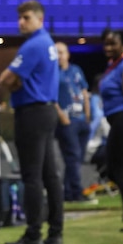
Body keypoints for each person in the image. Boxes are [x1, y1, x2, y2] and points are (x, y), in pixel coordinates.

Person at [0, 0, 64, 244]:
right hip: (47, 110)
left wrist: (13, 83)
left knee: (32, 176)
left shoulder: (34, 45)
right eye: (20, 18)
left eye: (26, 18)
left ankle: (33, 234)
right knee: (50, 175)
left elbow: (5, 78)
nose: (20, 22)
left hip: (33, 113)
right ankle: (56, 232)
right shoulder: (47, 42)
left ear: (39, 18)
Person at [54, 41, 93, 203]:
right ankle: (76, 191)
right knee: (72, 156)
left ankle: (68, 191)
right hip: (67, 121)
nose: (59, 56)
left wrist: (88, 113)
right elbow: (50, 97)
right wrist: (62, 116)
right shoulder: (53, 74)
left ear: (68, 54)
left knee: (78, 158)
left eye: (62, 52)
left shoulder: (76, 70)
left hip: (82, 120)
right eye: (56, 52)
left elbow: (84, 92)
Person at [98, 28, 123, 230]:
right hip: (116, 120)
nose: (108, 48)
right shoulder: (113, 65)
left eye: (113, 44)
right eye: (106, 44)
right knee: (116, 169)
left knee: (119, 168)